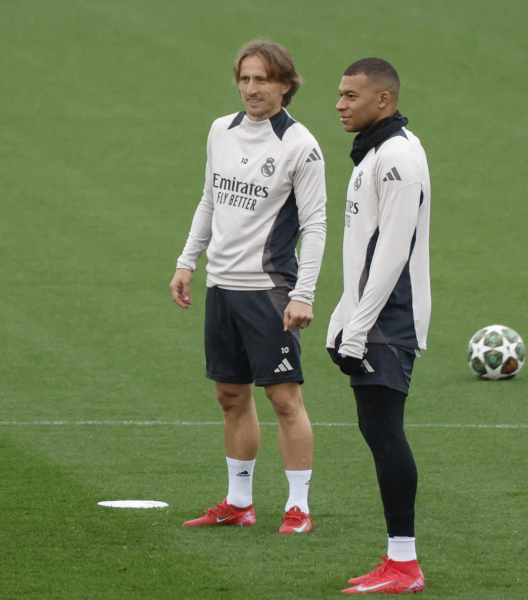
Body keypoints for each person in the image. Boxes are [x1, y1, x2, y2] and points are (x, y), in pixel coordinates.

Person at [170, 39, 326, 535]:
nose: (251, 89)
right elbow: (209, 200)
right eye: (245, 79)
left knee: (283, 399)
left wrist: (304, 293)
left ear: (285, 84)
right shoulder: (221, 130)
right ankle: (240, 502)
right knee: (231, 396)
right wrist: (186, 260)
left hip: (269, 289)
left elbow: (317, 225)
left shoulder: (301, 145)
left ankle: (298, 507)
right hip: (222, 286)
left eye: (262, 80)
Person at [327, 58, 431, 594]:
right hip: (373, 314)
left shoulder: (396, 158)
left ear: (382, 100)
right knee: (376, 428)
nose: (340, 104)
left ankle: (404, 565)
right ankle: (400, 560)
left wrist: (358, 327)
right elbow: (362, 247)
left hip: (389, 317)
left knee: (385, 429)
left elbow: (391, 253)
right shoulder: (375, 152)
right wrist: (341, 317)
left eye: (350, 95)